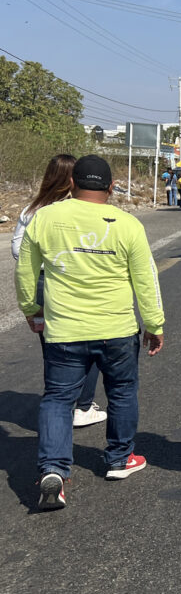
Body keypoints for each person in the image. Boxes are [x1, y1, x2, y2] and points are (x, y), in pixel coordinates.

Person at [16, 155, 165, 510]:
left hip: (64, 329)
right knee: (123, 393)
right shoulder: (128, 224)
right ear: (112, 187)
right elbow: (146, 279)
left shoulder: (46, 218)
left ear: (71, 184)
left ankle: (53, 469)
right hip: (117, 328)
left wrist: (31, 309)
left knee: (57, 398)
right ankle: (119, 459)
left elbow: (25, 272)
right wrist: (155, 325)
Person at [12, 154, 108, 428]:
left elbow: (18, 250)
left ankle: (57, 401)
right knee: (88, 346)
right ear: (72, 179)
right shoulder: (75, 209)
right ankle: (82, 406)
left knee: (53, 348)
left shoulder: (32, 210)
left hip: (41, 285)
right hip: (72, 283)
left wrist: (40, 258)